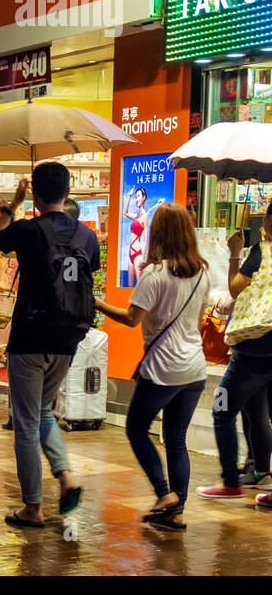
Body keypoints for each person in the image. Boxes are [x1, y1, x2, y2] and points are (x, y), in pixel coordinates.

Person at [0, 163, 96, 528]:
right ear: (68, 189)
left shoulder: (27, 230)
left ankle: (32, 507)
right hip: (68, 337)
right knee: (44, 411)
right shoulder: (87, 236)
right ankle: (66, 477)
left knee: (26, 422)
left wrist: (12, 204)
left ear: (36, 193)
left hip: (29, 337)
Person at [96, 203, 208, 529]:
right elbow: (199, 319)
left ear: (156, 233)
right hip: (194, 369)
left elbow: (132, 319)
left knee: (135, 429)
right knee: (176, 440)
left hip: (162, 369)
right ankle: (177, 510)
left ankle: (164, 494)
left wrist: (99, 304)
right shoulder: (201, 271)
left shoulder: (154, 273)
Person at [197, 202, 272, 501]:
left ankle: (230, 482)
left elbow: (235, 287)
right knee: (260, 413)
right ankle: (261, 473)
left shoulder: (261, 252)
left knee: (221, 410)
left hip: (254, 350)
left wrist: (235, 252)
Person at [125, 186, 148, 286]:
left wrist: (143, 256)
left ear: (144, 197)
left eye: (138, 196)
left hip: (138, 254)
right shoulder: (136, 216)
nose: (137, 199)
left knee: (139, 286)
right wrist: (129, 196)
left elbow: (146, 237)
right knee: (129, 287)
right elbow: (125, 212)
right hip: (130, 253)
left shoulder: (144, 216)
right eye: (136, 196)